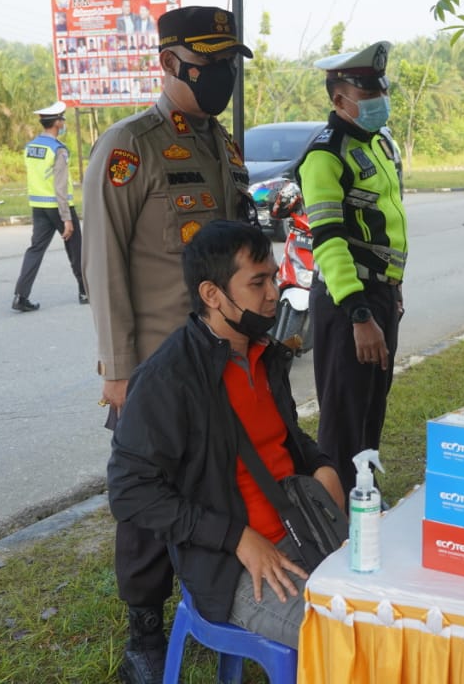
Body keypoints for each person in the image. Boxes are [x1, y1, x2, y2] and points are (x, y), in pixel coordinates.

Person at [80, 5, 254, 684]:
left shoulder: (226, 149)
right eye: (208, 64)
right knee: (149, 501)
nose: (220, 77)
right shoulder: (131, 147)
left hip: (223, 357)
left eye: (227, 65)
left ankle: (212, 603)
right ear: (169, 63)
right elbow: (104, 264)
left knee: (221, 486)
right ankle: (144, 634)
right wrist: (118, 369)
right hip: (155, 364)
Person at [107, 220, 344, 652]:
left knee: (403, 611)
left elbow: (283, 439)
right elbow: (128, 491)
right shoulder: (168, 377)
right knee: (348, 645)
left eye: (273, 276)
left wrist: (322, 467)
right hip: (235, 564)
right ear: (212, 295)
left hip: (306, 529)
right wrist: (235, 537)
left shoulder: (264, 353)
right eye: (258, 282)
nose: (274, 292)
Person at [296, 41, 406, 491]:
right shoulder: (326, 154)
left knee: (371, 408)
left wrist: (391, 292)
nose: (379, 100)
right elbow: (327, 238)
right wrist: (360, 314)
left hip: (379, 296)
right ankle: (338, 517)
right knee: (343, 420)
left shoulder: (377, 143)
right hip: (348, 303)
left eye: (380, 90)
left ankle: (365, 495)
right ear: (339, 100)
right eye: (367, 94)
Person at [12, 101, 85, 312]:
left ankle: (20, 295)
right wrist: (67, 219)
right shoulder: (58, 150)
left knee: (35, 249)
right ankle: (84, 291)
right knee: (75, 248)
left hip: (38, 205)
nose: (63, 122)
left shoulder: (31, 147)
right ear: (56, 123)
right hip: (58, 206)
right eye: (62, 119)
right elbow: (60, 186)